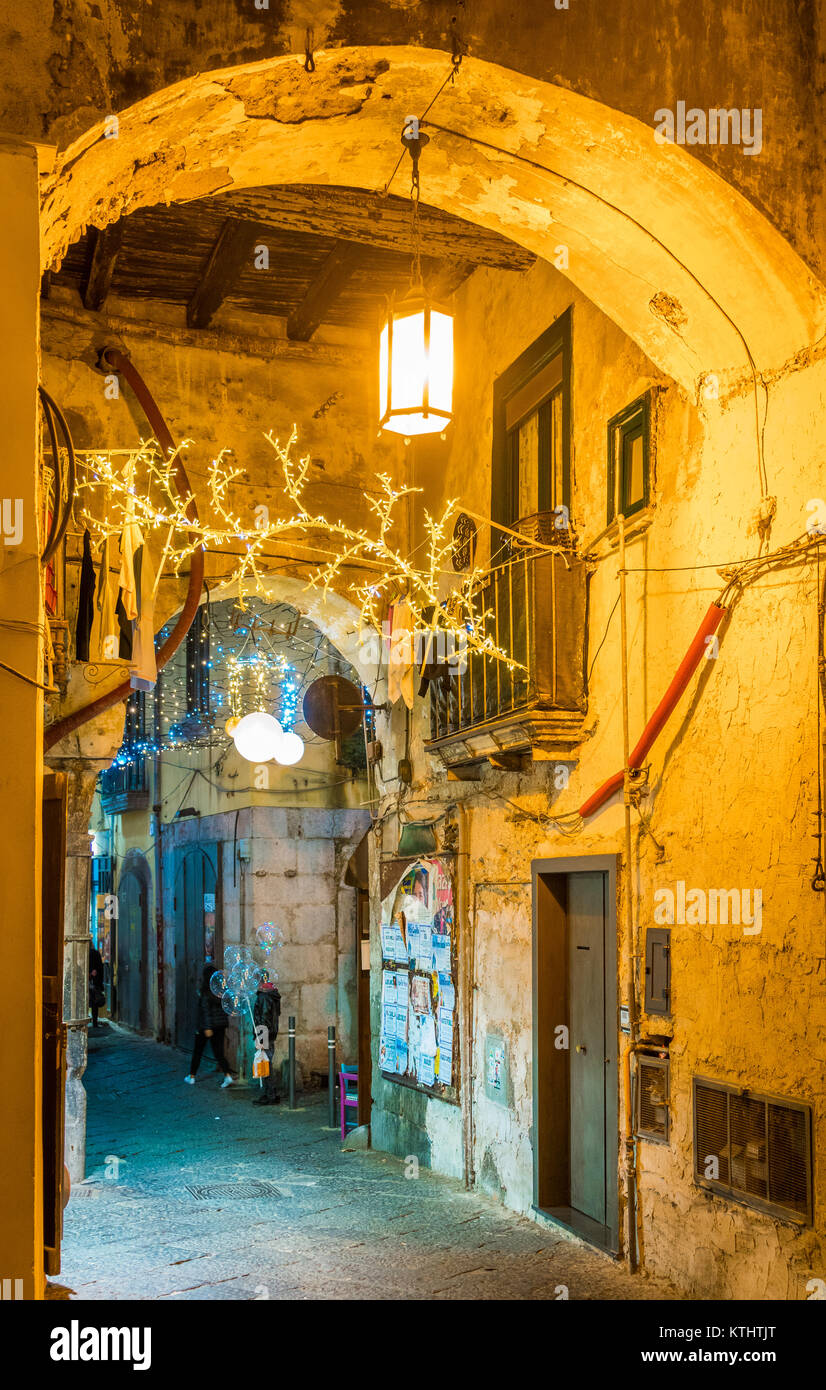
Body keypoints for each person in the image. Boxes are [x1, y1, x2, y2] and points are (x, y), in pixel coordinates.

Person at [184, 964, 234, 1088]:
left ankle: (191, 1076)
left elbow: (205, 1011)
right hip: (220, 1025)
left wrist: (207, 1028)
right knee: (219, 1052)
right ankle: (227, 1076)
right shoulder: (222, 992)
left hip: (207, 1026)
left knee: (198, 1051)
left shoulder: (205, 992)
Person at [252, 973, 281, 1106]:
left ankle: (270, 1095)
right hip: (270, 1033)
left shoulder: (264, 996)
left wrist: (261, 1039)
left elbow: (264, 1018)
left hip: (265, 1034)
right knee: (266, 1063)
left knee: (266, 1064)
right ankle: (269, 1093)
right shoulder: (271, 993)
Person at [89, 942, 105, 1029]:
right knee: (95, 1003)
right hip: (95, 983)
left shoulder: (89, 954)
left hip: (89, 982)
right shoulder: (96, 953)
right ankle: (94, 1022)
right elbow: (100, 969)